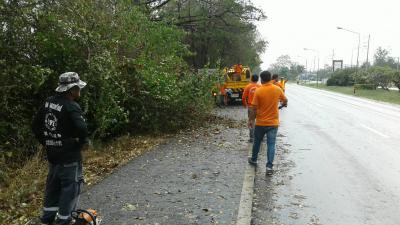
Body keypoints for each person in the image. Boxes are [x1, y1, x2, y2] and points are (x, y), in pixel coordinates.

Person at [32, 72, 88, 225]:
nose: (79, 90)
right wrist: (79, 144)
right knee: (70, 190)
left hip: (53, 156)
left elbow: (35, 126)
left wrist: (47, 142)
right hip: (69, 157)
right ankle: (64, 221)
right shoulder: (71, 106)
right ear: (72, 89)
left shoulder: (48, 102)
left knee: (53, 188)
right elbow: (82, 128)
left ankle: (47, 219)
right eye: (78, 87)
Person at [247, 71, 288, 175]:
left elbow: (254, 108)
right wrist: (283, 104)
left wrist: (251, 120)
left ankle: (254, 159)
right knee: (271, 144)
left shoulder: (258, 91)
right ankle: (269, 167)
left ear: (261, 79)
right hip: (273, 123)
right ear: (270, 78)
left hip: (260, 123)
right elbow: (285, 100)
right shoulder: (277, 89)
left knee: (257, 142)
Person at [242, 74, 260, 142]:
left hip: (251, 107)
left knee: (251, 121)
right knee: (259, 121)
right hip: (259, 107)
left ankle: (252, 138)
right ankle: (259, 137)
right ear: (257, 79)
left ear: (251, 79)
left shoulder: (248, 86)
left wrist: (245, 105)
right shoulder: (260, 86)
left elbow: (243, 97)